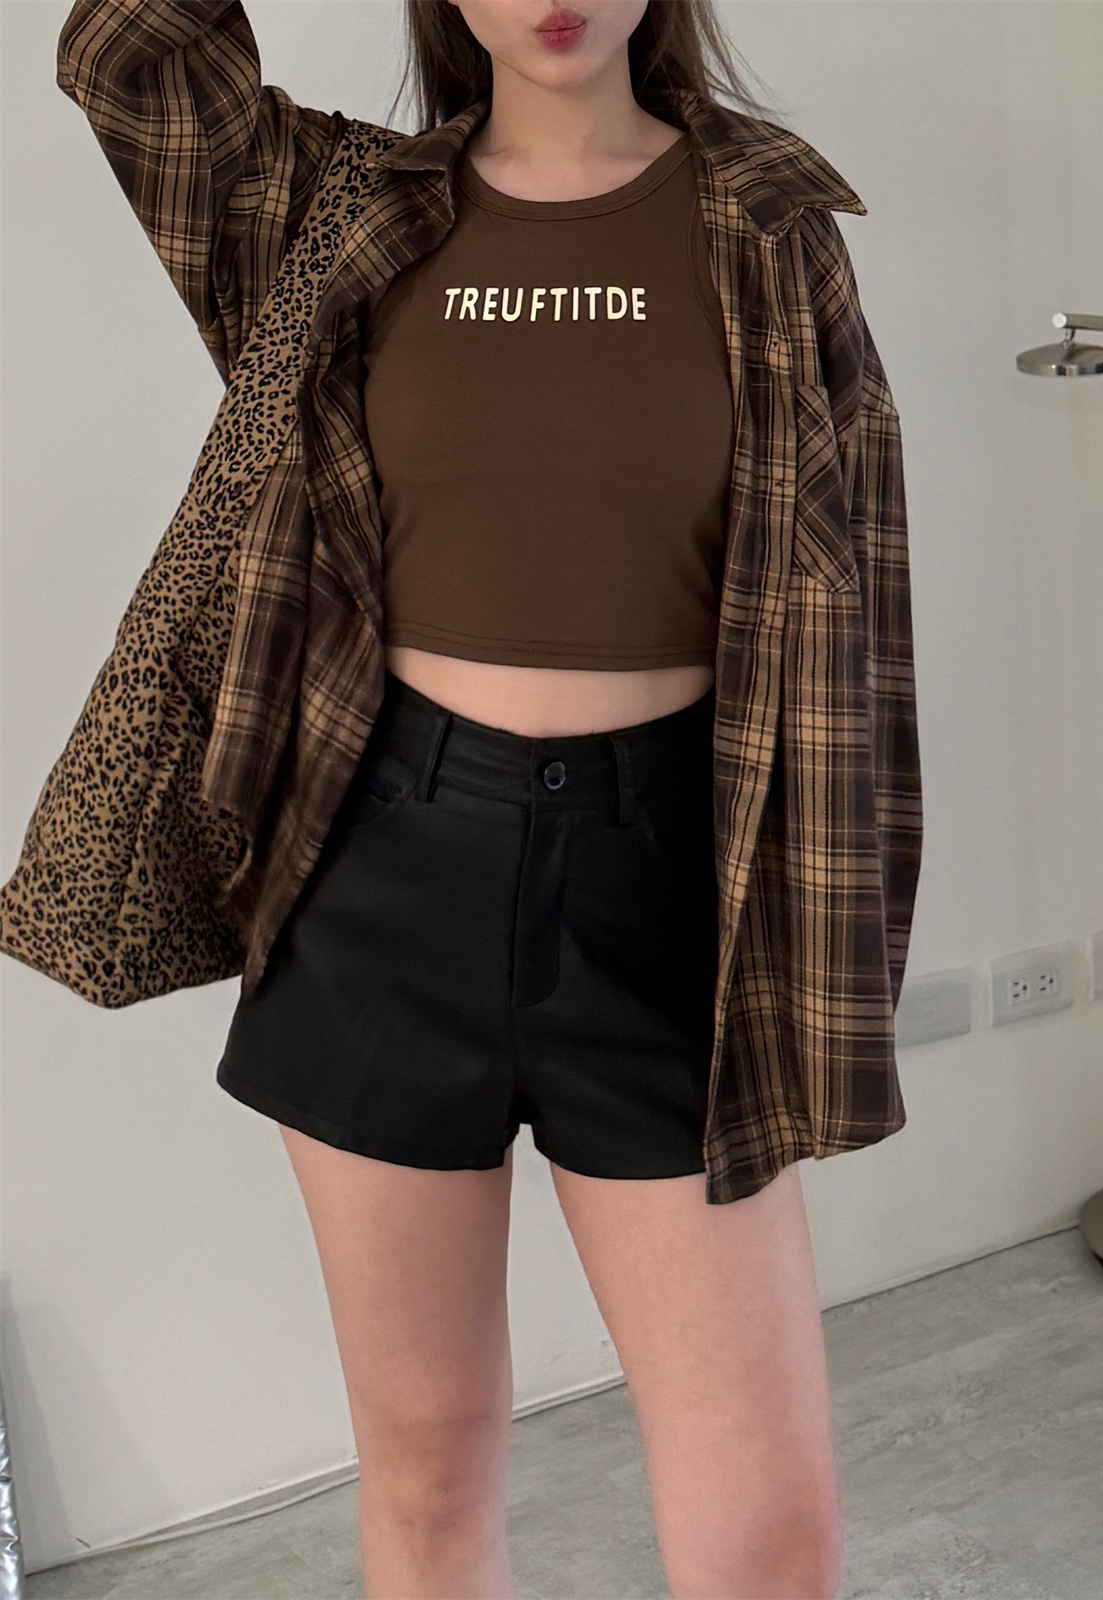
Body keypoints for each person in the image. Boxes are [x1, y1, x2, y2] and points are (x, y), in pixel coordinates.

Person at [18, 0, 925, 1595]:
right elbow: (128, 56)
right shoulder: (333, 213)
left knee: (768, 1540)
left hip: (665, 889)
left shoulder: (767, 226)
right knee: (430, 1476)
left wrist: (828, 944)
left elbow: (858, 621)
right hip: (382, 875)